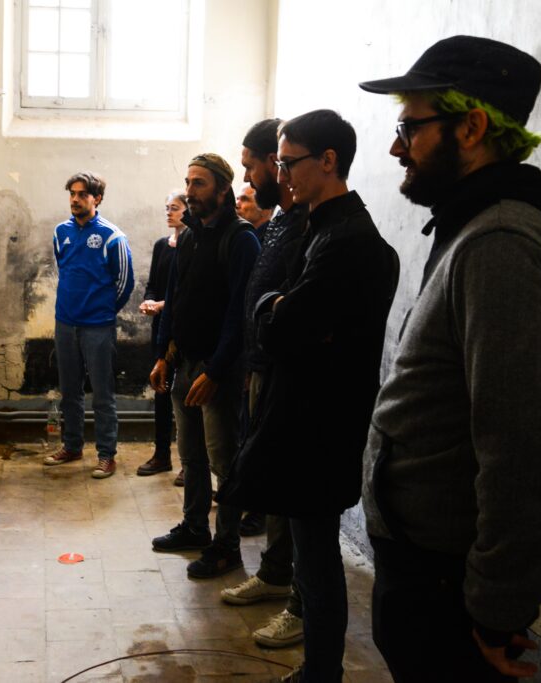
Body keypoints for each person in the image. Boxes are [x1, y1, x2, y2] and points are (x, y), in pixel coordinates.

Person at [357, 36, 541, 683]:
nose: (396, 147)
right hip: (428, 568)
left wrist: (495, 610)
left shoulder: (500, 243)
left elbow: (526, 448)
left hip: (450, 586)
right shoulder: (473, 226)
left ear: (470, 127)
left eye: (410, 127)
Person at [218, 110, 399, 682]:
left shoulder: (347, 239)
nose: (280, 175)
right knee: (311, 555)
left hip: (321, 420)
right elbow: (281, 314)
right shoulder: (319, 227)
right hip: (305, 409)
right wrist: (277, 307)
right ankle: (318, 670)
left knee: (317, 563)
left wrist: (274, 308)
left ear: (328, 160)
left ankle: (321, 673)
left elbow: (282, 325)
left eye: (288, 162)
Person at [219, 118, 309, 648]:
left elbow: (292, 310)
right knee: (272, 481)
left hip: (283, 374)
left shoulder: (311, 226)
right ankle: (275, 572)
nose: (249, 179)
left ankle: (300, 598)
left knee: (290, 485)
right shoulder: (279, 223)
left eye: (252, 167)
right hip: (260, 367)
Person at [149, 153, 260, 579]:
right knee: (191, 454)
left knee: (223, 460)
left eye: (199, 183)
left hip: (219, 369)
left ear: (222, 189)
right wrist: (163, 355)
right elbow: (175, 299)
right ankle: (195, 526)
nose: (190, 191)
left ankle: (227, 545)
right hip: (186, 360)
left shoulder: (241, 240)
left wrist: (215, 371)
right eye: (188, 182)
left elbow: (240, 313)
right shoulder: (190, 237)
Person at [45, 172, 134, 479]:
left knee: (102, 394)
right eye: (72, 193)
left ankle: (107, 455)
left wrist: (102, 311)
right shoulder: (61, 232)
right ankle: (72, 446)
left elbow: (125, 282)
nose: (75, 199)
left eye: (82, 194)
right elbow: (64, 269)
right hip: (65, 324)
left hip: (98, 327)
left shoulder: (112, 236)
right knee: (69, 390)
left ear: (97, 198)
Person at [136, 191, 187, 477]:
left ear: (187, 210)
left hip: (184, 328)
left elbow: (187, 292)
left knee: (186, 395)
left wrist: (162, 305)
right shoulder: (161, 245)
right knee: (161, 392)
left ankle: (189, 462)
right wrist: (148, 301)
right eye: (167, 208)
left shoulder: (194, 245)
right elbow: (153, 284)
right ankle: (161, 454)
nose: (169, 212)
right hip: (161, 327)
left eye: (175, 208)